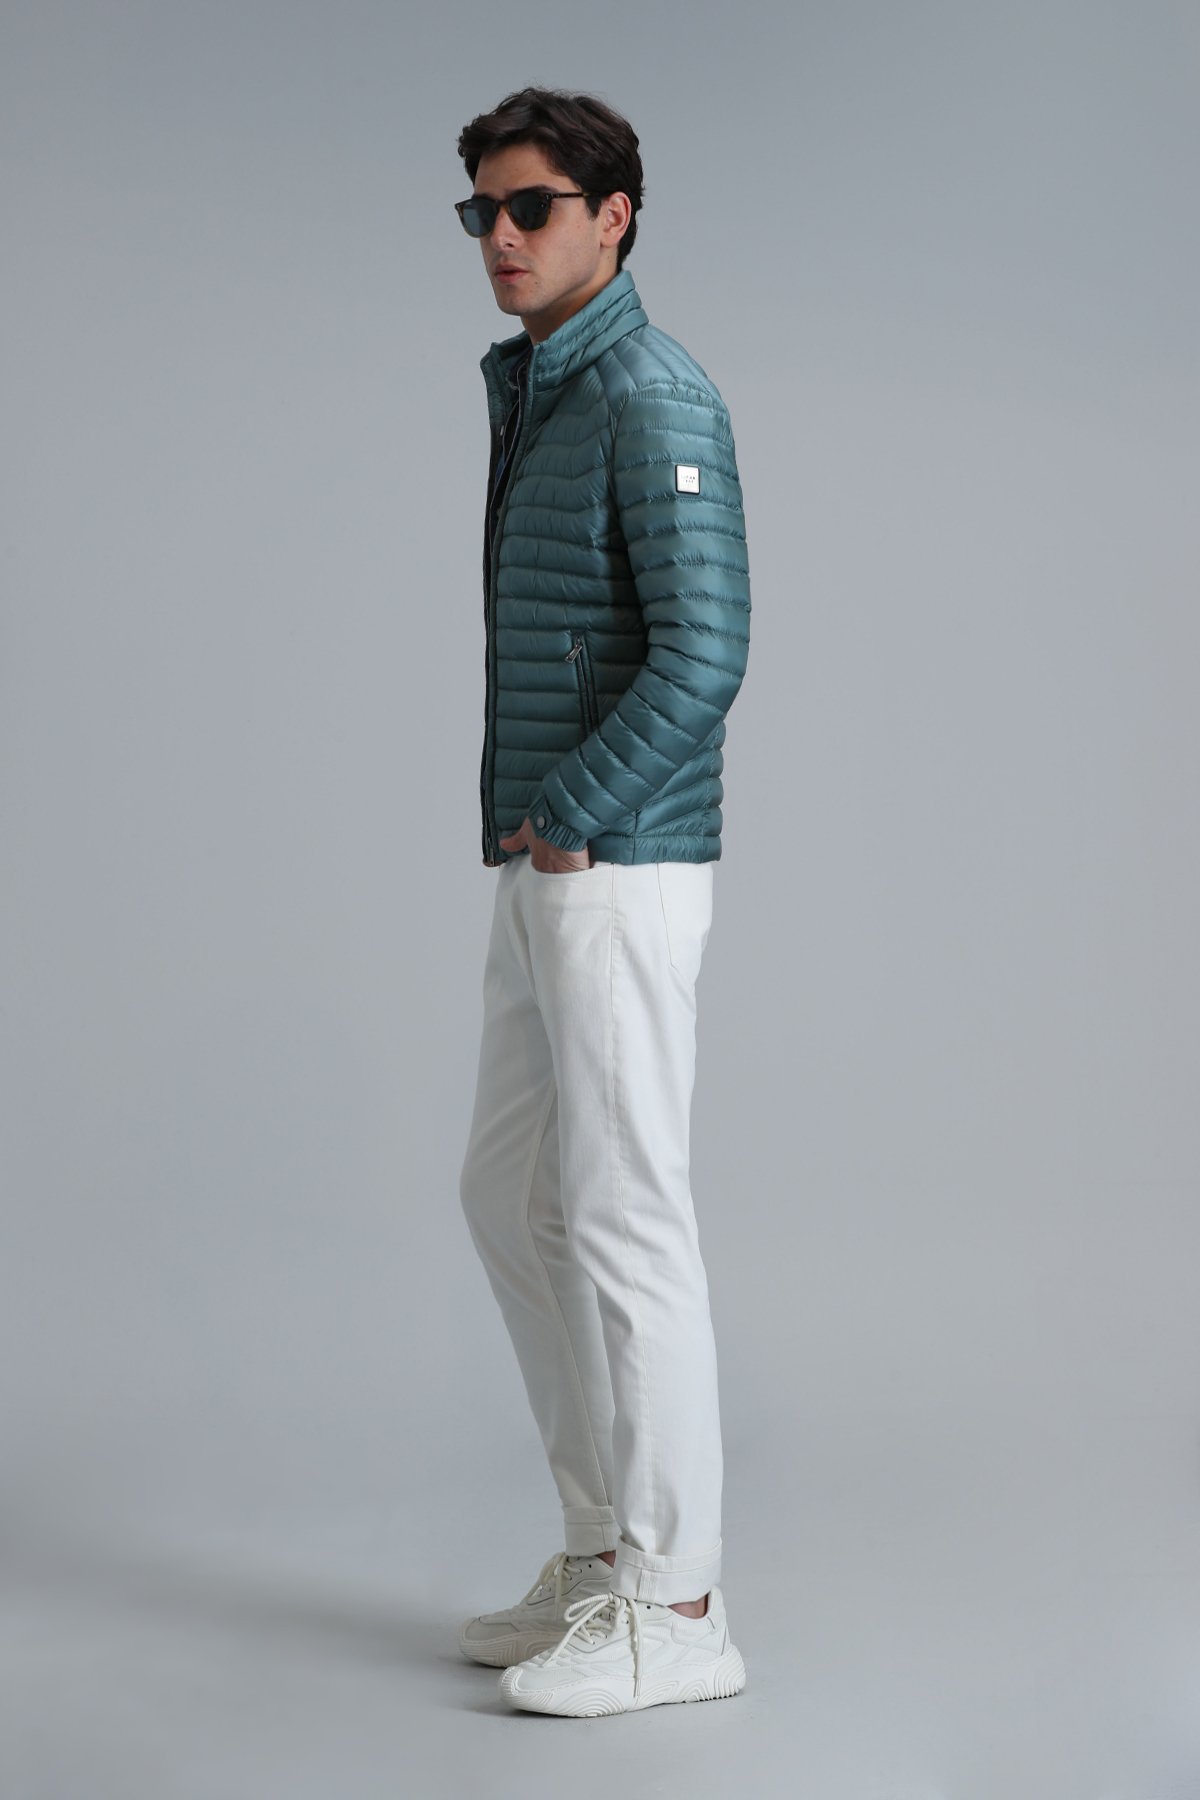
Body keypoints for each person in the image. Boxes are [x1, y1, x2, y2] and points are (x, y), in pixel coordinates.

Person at [452, 85, 752, 1716]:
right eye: (483, 213)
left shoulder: (651, 391)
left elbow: (707, 651)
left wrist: (569, 813)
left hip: (616, 864)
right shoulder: (544, 386)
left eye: (533, 207)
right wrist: (534, 830)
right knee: (513, 1200)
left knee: (629, 1215)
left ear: (613, 216)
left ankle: (680, 1602)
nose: (501, 238)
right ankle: (600, 1555)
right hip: (545, 858)